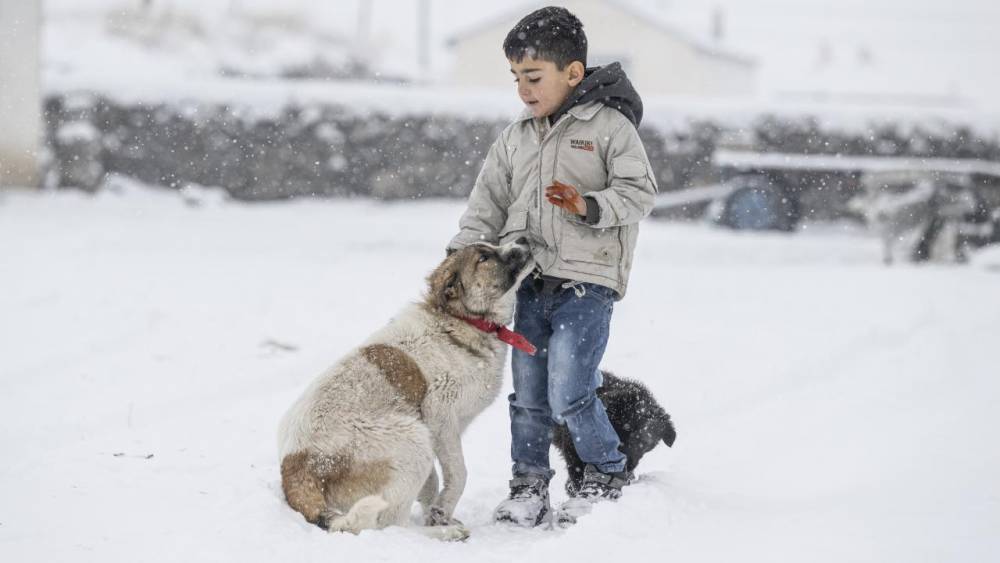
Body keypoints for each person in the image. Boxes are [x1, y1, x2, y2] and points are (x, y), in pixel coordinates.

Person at [446, 6, 657, 527]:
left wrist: (587, 204)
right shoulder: (516, 137)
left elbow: (639, 193)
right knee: (529, 393)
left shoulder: (610, 127)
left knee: (570, 389)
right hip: (530, 281)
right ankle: (528, 485)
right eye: (515, 76)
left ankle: (604, 473)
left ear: (573, 73)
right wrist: (464, 252)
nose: (522, 87)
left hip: (588, 282)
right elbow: (487, 202)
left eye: (533, 76)